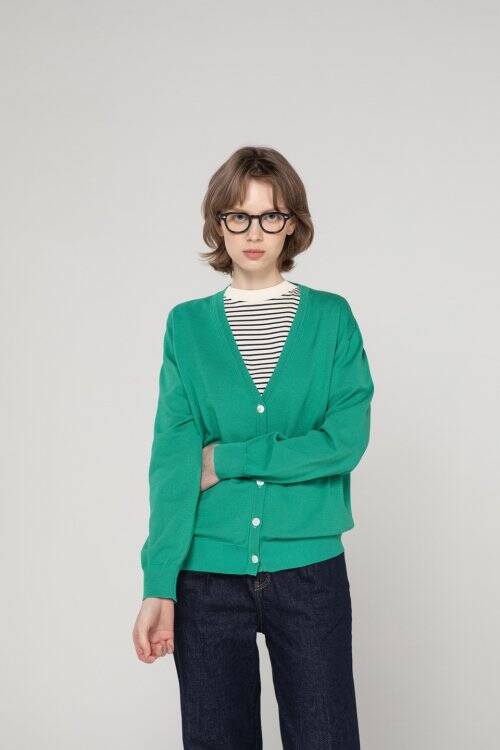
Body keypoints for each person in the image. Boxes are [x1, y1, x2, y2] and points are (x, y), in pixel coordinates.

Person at [132, 145, 375, 749]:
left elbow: (343, 441)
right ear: (218, 223)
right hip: (205, 578)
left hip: (309, 573)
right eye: (238, 216)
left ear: (292, 223)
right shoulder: (187, 326)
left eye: (271, 215)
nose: (254, 232)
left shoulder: (331, 319)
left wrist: (226, 458)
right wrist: (159, 582)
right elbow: (172, 463)